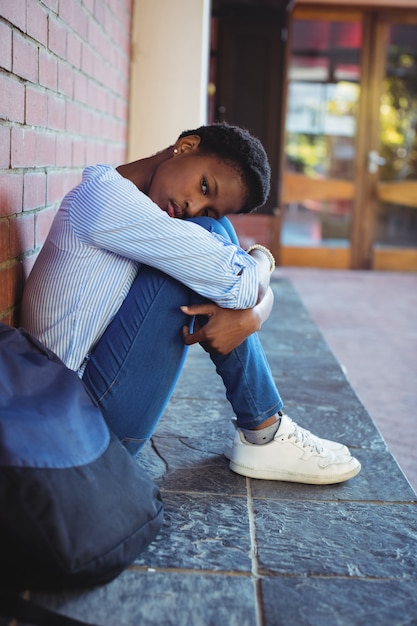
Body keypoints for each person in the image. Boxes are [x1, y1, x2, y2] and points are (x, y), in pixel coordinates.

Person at [21, 123, 360, 485]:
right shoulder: (107, 201)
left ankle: (264, 431)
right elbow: (244, 284)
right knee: (211, 236)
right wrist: (261, 266)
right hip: (81, 429)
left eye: (208, 204)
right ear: (185, 146)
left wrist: (252, 311)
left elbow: (241, 282)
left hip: (90, 411)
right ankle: (264, 431)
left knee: (214, 235)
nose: (193, 205)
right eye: (204, 186)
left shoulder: (127, 199)